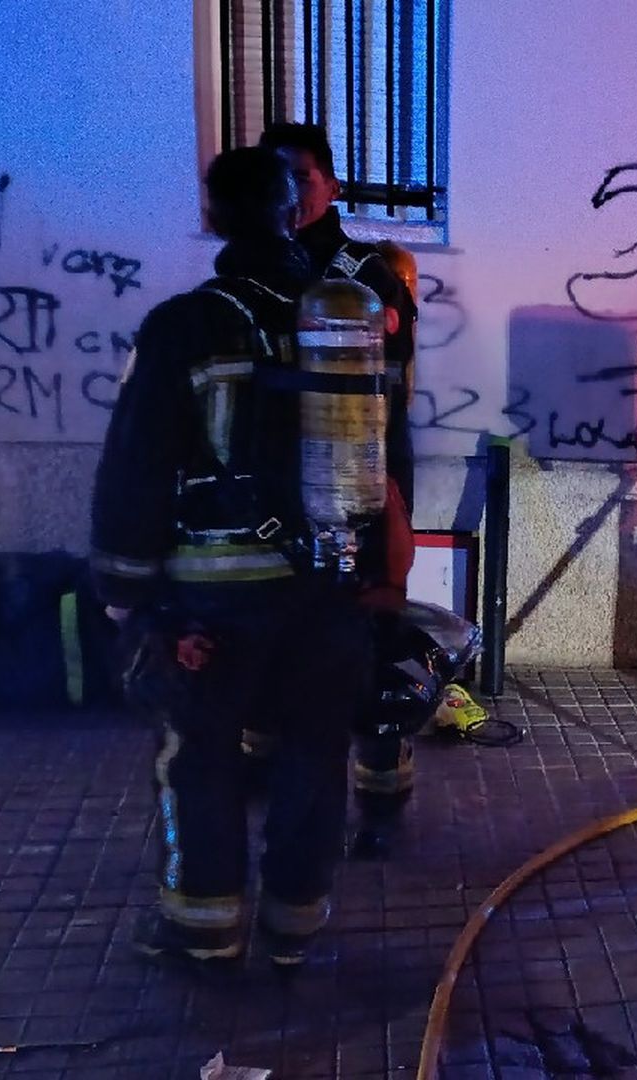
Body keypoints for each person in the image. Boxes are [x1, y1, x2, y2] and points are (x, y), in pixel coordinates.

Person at [91, 145, 373, 965]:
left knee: (201, 759)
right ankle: (296, 922)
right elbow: (386, 455)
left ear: (212, 216)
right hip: (328, 590)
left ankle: (204, 927)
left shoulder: (184, 324)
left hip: (213, 605)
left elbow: (136, 462)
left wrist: (127, 591)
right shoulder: (342, 320)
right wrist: (378, 582)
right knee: (315, 756)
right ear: (296, 211)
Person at [255, 123, 491, 851]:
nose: (291, 194)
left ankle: (382, 800)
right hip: (282, 485)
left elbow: (394, 343)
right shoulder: (261, 268)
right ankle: (281, 777)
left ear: (330, 183)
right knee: (280, 631)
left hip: (364, 478)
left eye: (303, 177)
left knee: (369, 634)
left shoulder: (366, 269)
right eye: (277, 179)